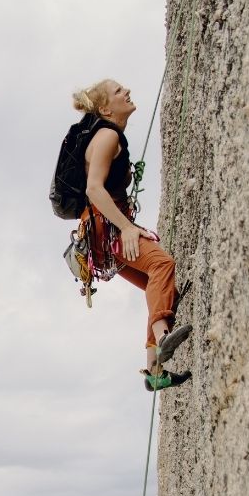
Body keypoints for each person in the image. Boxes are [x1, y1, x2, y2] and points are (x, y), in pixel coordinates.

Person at [72, 78, 192, 390]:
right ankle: (163, 336)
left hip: (100, 237)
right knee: (161, 266)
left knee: (162, 287)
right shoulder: (107, 136)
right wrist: (126, 227)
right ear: (105, 108)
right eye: (118, 91)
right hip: (109, 230)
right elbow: (93, 189)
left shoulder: (109, 136)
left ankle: (154, 371)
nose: (126, 91)